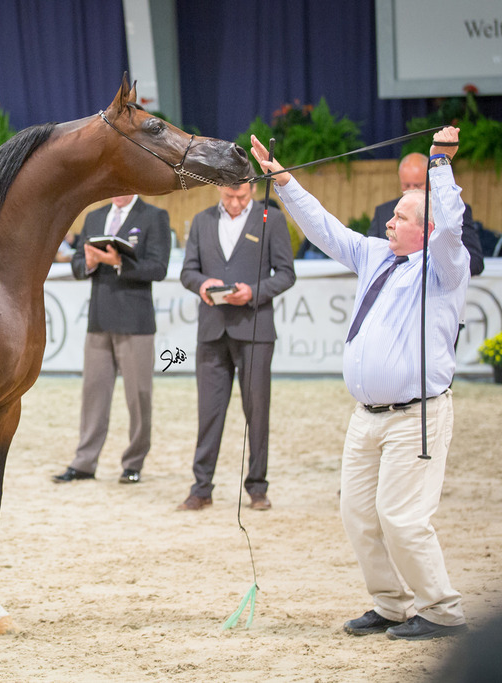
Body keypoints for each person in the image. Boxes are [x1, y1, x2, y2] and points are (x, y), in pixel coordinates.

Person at [252, 127, 469, 641]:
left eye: (401, 217)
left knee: (402, 517)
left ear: (426, 229)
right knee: (358, 515)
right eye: (392, 214)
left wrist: (440, 166)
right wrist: (282, 180)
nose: (389, 221)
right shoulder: (374, 254)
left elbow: (450, 228)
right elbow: (323, 227)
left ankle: (442, 610)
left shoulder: (444, 267)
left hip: (416, 415)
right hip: (365, 417)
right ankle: (391, 604)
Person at [177, 183, 296, 511]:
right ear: (219, 188)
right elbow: (187, 272)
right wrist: (202, 283)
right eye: (228, 196)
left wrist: (253, 292)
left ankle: (257, 487)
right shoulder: (201, 220)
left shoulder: (271, 219)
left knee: (257, 411)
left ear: (253, 188)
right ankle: (201, 488)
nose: (234, 202)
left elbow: (286, 274)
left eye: (241, 197)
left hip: (255, 329)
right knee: (208, 412)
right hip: (212, 330)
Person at [52, 195, 171, 484]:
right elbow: (77, 265)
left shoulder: (154, 216)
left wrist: (119, 263)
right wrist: (90, 262)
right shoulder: (94, 216)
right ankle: (84, 462)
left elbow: (159, 268)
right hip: (99, 320)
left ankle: (133, 463)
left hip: (136, 323)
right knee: (93, 395)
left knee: (139, 397)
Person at [369, 152, 483, 276]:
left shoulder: (453, 212)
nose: (412, 190)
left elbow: (475, 262)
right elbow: (371, 256)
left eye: (418, 185)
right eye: (406, 185)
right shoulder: (383, 212)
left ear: (430, 181)